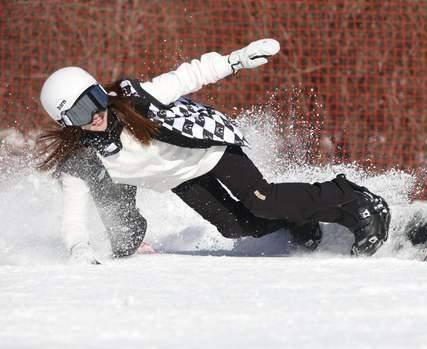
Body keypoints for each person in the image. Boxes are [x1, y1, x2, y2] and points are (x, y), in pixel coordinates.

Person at [37, 38, 390, 264]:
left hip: (210, 147)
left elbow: (188, 75)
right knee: (236, 226)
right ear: (66, 121)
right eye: (81, 112)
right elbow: (73, 214)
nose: (96, 114)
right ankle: (303, 223)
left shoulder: (135, 100)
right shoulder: (81, 162)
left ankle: (355, 200)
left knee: (261, 199)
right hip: (182, 178)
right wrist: (78, 249)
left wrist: (235, 60)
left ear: (102, 91)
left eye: (96, 100)